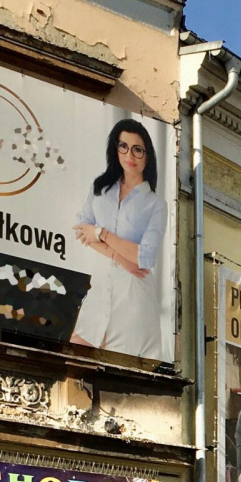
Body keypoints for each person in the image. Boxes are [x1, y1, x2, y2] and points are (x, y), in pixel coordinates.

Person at [71, 119, 168, 361]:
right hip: (99, 295)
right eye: (123, 146)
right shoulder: (101, 189)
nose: (129, 155)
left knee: (121, 372)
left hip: (133, 302)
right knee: (75, 356)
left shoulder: (155, 204)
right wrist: (118, 256)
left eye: (137, 149)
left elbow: (145, 256)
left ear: (147, 155)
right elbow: (81, 229)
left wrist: (101, 234)